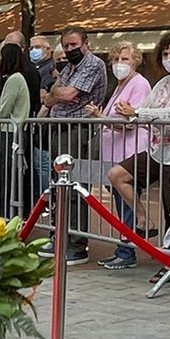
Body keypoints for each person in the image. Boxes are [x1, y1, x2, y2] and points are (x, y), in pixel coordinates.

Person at [108, 29, 170, 257]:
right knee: (117, 174)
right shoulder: (163, 82)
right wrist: (132, 113)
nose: (169, 58)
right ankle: (142, 219)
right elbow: (147, 107)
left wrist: (137, 113)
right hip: (157, 149)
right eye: (165, 54)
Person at [36, 26, 109, 263]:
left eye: (73, 45)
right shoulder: (68, 67)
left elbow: (65, 95)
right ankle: (59, 234)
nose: (69, 50)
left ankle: (76, 242)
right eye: (66, 46)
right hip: (60, 127)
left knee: (74, 184)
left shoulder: (92, 64)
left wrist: (59, 94)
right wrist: (59, 93)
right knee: (58, 185)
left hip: (78, 129)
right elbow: (50, 97)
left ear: (85, 43)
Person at [99, 42, 154, 267]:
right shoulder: (120, 85)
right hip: (114, 150)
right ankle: (123, 246)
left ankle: (127, 250)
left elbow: (131, 120)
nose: (119, 64)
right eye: (116, 59)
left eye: (125, 59)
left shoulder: (139, 84)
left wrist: (101, 120)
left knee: (128, 199)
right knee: (121, 201)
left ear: (136, 61)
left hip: (131, 149)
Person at [0, 41, 35, 216]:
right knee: (8, 176)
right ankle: (5, 212)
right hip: (14, 131)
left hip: (9, 133)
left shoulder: (14, 79)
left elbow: (5, 108)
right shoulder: (18, 78)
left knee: (4, 176)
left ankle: (4, 214)